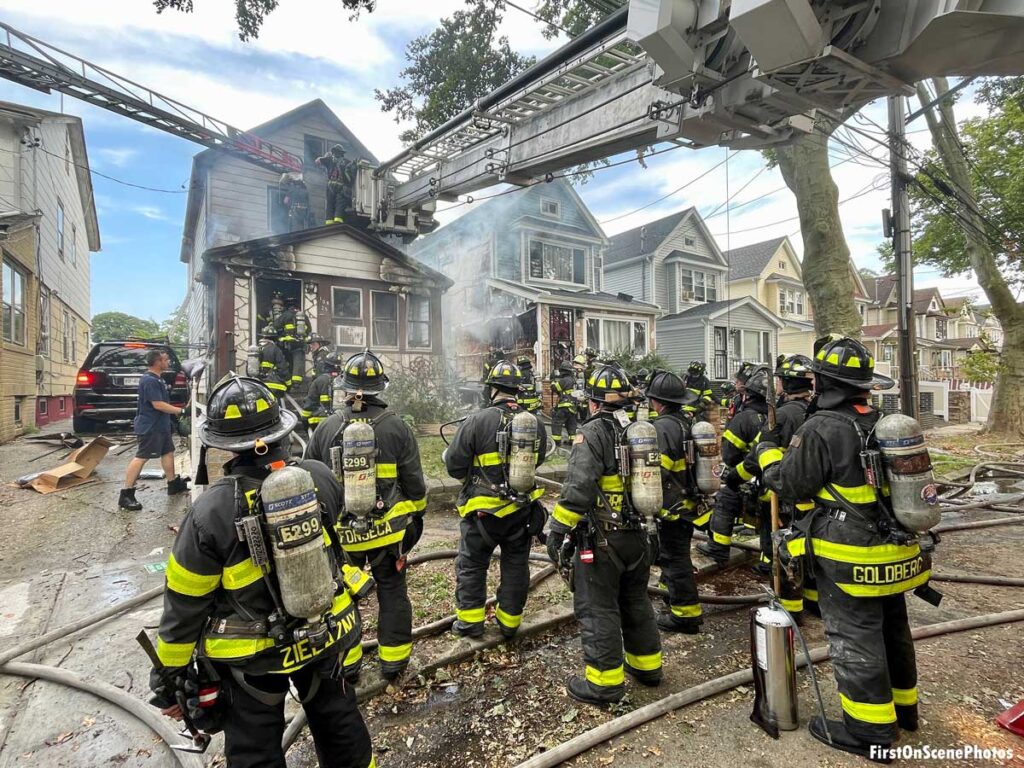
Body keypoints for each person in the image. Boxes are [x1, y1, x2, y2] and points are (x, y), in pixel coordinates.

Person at [150, 376, 374, 768]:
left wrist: (169, 679)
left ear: (222, 444)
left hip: (252, 660)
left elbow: (184, 605)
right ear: (281, 430)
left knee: (255, 752)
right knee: (341, 728)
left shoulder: (210, 512)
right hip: (326, 635)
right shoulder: (319, 476)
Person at [756, 336, 922, 762]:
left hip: (851, 556)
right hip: (897, 550)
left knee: (856, 636)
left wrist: (768, 456)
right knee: (893, 628)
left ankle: (869, 731)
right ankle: (905, 711)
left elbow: (790, 484)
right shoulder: (882, 422)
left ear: (824, 382)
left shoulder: (822, 427)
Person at [546, 364, 662, 706]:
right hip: (641, 536)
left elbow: (579, 486)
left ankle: (604, 685)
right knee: (636, 600)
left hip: (602, 539)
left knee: (598, 608)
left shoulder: (592, 432)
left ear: (593, 402)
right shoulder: (639, 430)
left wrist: (557, 529)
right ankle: (647, 667)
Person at [306, 351, 426, 681]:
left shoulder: (327, 427)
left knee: (342, 596)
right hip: (388, 534)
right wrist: (415, 520)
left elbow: (309, 477)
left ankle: (349, 666)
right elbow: (414, 482)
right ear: (379, 387)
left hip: (343, 537)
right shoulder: (397, 427)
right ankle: (393, 662)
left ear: (345, 387)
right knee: (392, 590)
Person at [445, 360, 548, 639]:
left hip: (482, 513)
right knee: (516, 565)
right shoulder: (535, 423)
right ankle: (510, 623)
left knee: (472, 565)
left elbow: (454, 465)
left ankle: (470, 623)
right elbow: (536, 461)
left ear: (491, 389)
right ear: (518, 390)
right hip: (521, 511)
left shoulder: (477, 420)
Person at [726, 354, 816, 617]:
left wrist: (735, 477)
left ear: (785, 384)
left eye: (778, 380)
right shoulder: (817, 412)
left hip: (785, 496)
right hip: (818, 499)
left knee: (786, 551)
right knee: (810, 550)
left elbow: (758, 456)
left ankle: (790, 611)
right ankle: (815, 602)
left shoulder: (781, 416)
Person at [646, 371, 706, 633]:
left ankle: (686, 615)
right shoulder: (686, 421)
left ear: (657, 402)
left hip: (672, 507)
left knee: (675, 558)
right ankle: (673, 597)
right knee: (673, 554)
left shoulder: (662, 428)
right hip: (689, 502)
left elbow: (659, 470)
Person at [696, 364, 770, 564]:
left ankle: (718, 548)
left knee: (724, 501)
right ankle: (768, 560)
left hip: (746, 474)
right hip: (770, 478)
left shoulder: (745, 418)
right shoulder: (775, 417)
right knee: (768, 520)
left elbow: (729, 454)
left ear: (749, 394)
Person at [118, 348, 188, 511]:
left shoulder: (158, 379)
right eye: (165, 359)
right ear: (158, 362)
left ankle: (172, 484)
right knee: (142, 457)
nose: (168, 362)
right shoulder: (149, 380)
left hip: (160, 425)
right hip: (150, 426)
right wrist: (182, 411)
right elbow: (158, 404)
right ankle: (126, 494)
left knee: (168, 452)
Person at [315, 144, 355, 225]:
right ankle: (335, 222)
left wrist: (325, 158)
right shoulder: (346, 162)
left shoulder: (330, 160)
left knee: (332, 204)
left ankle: (331, 223)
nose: (336, 154)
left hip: (333, 187)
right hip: (340, 187)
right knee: (337, 205)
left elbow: (317, 161)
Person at [273, 296, 307, 388]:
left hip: (287, 344)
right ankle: (296, 383)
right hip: (299, 343)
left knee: (286, 361)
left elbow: (275, 326)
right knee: (298, 362)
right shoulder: (303, 316)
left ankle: (287, 381)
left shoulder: (285, 314)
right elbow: (309, 330)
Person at [301, 355, 341, 431]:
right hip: (339, 421)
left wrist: (304, 421)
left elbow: (310, 402)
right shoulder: (343, 381)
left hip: (319, 423)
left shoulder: (319, 380)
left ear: (325, 365)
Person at [550, 359, 579, 449]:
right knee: (571, 423)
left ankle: (556, 442)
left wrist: (553, 381)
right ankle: (572, 440)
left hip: (564, 406)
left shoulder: (564, 380)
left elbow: (554, 388)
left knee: (556, 423)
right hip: (573, 406)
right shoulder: (574, 380)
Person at [256, 326, 290, 395]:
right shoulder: (275, 349)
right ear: (274, 338)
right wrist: (289, 383)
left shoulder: (255, 349)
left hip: (258, 385)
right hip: (274, 386)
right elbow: (283, 369)